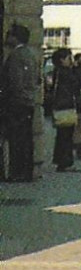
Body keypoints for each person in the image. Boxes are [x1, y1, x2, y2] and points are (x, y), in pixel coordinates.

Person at [2, 25, 39, 182]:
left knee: (17, 139)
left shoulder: (16, 56)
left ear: (15, 37)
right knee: (26, 138)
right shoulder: (30, 54)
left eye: (9, 35)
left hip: (17, 103)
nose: (7, 38)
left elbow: (15, 81)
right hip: (28, 101)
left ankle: (18, 173)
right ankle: (26, 171)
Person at [45, 48, 81, 172]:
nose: (70, 60)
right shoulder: (65, 72)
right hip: (66, 106)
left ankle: (61, 161)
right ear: (62, 60)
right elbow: (80, 82)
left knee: (62, 135)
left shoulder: (57, 72)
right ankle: (65, 162)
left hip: (60, 105)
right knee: (66, 135)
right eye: (68, 58)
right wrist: (76, 68)